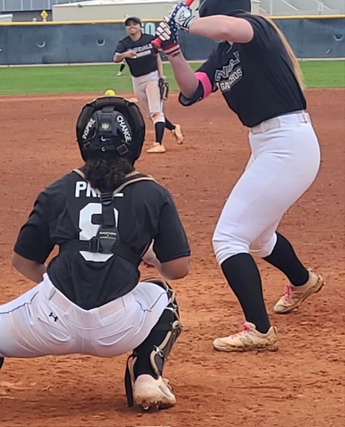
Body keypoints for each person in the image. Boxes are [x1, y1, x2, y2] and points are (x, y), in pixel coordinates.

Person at [0, 96, 190, 410]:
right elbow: (178, 268)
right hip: (119, 328)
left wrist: (62, 286)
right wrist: (149, 256)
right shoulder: (152, 191)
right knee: (162, 294)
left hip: (47, 321)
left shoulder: (59, 189)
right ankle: (147, 376)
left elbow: (22, 261)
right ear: (135, 141)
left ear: (83, 141)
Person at [155, 0, 324, 352]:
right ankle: (303, 281)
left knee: (229, 238)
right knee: (259, 238)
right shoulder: (222, 53)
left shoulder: (254, 29)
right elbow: (192, 89)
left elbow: (231, 27)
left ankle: (259, 330)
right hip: (268, 144)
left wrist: (185, 23)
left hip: (287, 142)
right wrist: (173, 51)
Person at [113, 16, 184, 153]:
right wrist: (126, 54)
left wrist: (161, 75)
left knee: (156, 111)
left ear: (140, 26)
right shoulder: (124, 43)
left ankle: (159, 144)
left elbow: (157, 56)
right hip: (136, 80)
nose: (131, 27)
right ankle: (174, 127)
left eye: (134, 24)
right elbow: (115, 58)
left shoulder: (149, 39)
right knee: (149, 114)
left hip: (151, 77)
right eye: (128, 25)